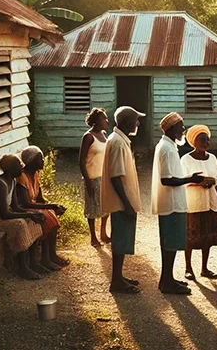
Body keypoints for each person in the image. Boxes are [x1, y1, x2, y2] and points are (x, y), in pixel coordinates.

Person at [152, 112, 204, 295]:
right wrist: (190, 178)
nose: (183, 129)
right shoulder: (166, 148)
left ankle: (167, 279)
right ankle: (167, 282)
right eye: (181, 126)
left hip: (173, 202)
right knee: (170, 244)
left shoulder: (169, 145)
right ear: (172, 128)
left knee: (170, 244)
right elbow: (166, 180)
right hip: (171, 203)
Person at [0, 154, 45, 280]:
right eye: (19, 165)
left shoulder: (13, 180)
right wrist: (28, 214)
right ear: (10, 170)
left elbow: (16, 207)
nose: (22, 167)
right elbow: (5, 214)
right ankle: (22, 267)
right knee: (19, 224)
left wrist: (32, 213)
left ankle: (32, 261)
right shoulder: (0, 184)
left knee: (33, 221)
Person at [101, 106, 145, 294]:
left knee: (123, 239)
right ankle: (116, 281)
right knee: (120, 241)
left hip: (123, 200)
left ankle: (119, 277)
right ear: (126, 122)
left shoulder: (120, 140)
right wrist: (126, 204)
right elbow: (116, 176)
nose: (138, 123)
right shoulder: (118, 142)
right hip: (120, 202)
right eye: (136, 120)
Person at [180, 125, 217, 281]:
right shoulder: (186, 159)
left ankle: (204, 268)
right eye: (202, 139)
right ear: (193, 142)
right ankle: (188, 268)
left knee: (207, 236)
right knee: (191, 237)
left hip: (210, 200)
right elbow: (184, 180)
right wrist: (200, 182)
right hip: (193, 202)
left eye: (207, 139)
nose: (206, 142)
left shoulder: (212, 158)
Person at [15, 146, 68, 270]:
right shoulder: (22, 177)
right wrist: (50, 206)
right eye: (40, 158)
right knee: (44, 217)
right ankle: (44, 258)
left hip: (34, 206)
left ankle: (50, 255)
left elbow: (40, 198)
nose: (43, 160)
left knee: (51, 214)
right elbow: (25, 203)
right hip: (23, 208)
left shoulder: (35, 174)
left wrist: (54, 206)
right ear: (31, 161)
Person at [79, 107, 111, 247]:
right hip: (92, 177)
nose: (106, 121)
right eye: (104, 118)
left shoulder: (104, 135)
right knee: (92, 209)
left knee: (106, 207)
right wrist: (88, 181)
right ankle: (93, 237)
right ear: (97, 121)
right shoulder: (88, 137)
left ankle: (103, 233)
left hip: (104, 176)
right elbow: (81, 161)